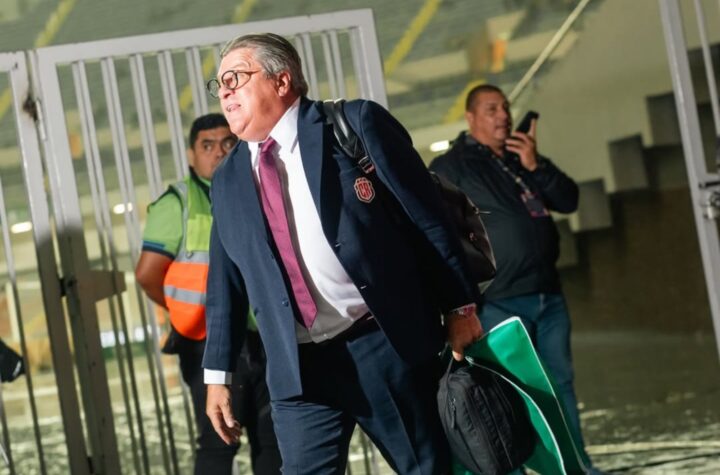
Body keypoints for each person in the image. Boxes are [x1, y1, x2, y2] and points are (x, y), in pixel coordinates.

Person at [202, 33, 484, 474]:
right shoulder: (227, 180)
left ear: (281, 81)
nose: (224, 92)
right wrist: (218, 376)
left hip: (382, 345)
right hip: (299, 370)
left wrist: (460, 307)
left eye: (235, 78)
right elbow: (224, 286)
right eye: (218, 85)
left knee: (426, 468)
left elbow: (426, 220)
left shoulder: (354, 126)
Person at [430, 84, 602, 473]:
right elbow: (438, 230)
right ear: (471, 117)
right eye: (492, 109)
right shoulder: (453, 166)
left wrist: (535, 165)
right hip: (499, 300)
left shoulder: (519, 157)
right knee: (508, 393)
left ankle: (575, 467)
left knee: (560, 385)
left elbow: (569, 199)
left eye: (505, 108)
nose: (504, 116)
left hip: (547, 294)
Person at [135, 113, 281, 475]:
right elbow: (147, 274)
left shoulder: (254, 189)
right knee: (219, 443)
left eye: (227, 143)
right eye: (207, 145)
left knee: (273, 440)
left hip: (263, 335)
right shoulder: (178, 204)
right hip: (207, 342)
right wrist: (186, 314)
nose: (219, 152)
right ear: (191, 155)